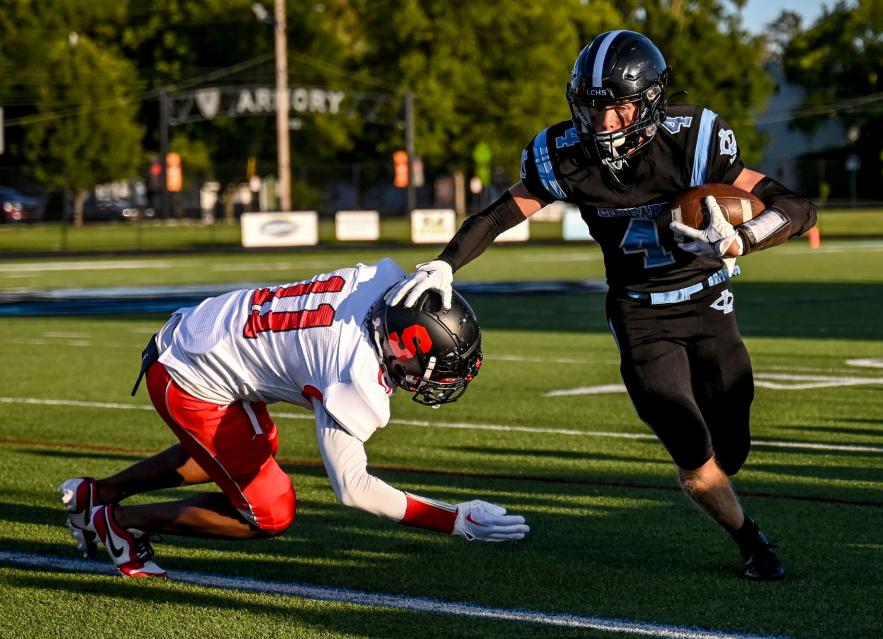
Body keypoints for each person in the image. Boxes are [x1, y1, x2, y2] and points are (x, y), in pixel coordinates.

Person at [388, 31, 817, 581]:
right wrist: (447, 261)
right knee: (690, 447)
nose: (604, 121)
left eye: (618, 106)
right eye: (594, 107)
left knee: (730, 446)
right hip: (640, 316)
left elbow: (797, 206)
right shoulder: (564, 154)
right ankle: (751, 541)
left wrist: (742, 239)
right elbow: (497, 216)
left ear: (650, 102)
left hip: (709, 302)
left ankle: (721, 480)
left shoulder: (694, 139)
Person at [58, 258, 528, 578]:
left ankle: (94, 494)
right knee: (270, 509)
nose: (440, 380)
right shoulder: (353, 371)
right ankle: (118, 522)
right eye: (438, 369)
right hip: (188, 376)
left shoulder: (384, 283)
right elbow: (353, 489)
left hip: (202, 334)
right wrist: (455, 520)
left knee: (257, 450)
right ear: (404, 345)